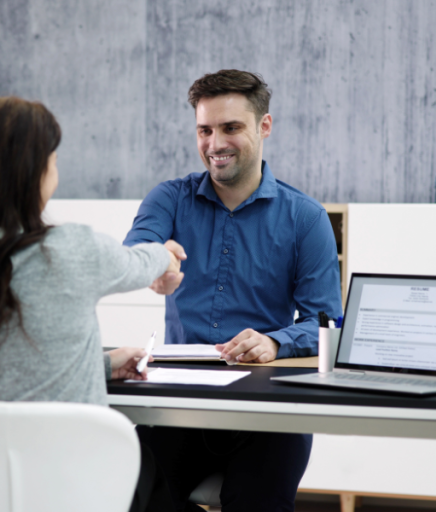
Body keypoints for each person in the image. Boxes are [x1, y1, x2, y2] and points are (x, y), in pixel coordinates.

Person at [0, 96, 185, 512]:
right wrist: (167, 255)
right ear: (34, 173)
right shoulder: (71, 249)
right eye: (53, 160)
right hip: (72, 487)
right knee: (151, 473)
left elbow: (6, 367)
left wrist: (103, 365)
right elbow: (144, 262)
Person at [123, 70, 344, 511]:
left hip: (268, 414)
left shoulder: (306, 219)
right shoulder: (169, 198)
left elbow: (326, 324)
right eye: (204, 130)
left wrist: (275, 341)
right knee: (128, 493)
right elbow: (138, 249)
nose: (215, 143)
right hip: (179, 407)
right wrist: (153, 263)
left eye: (230, 128)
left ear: (265, 126)